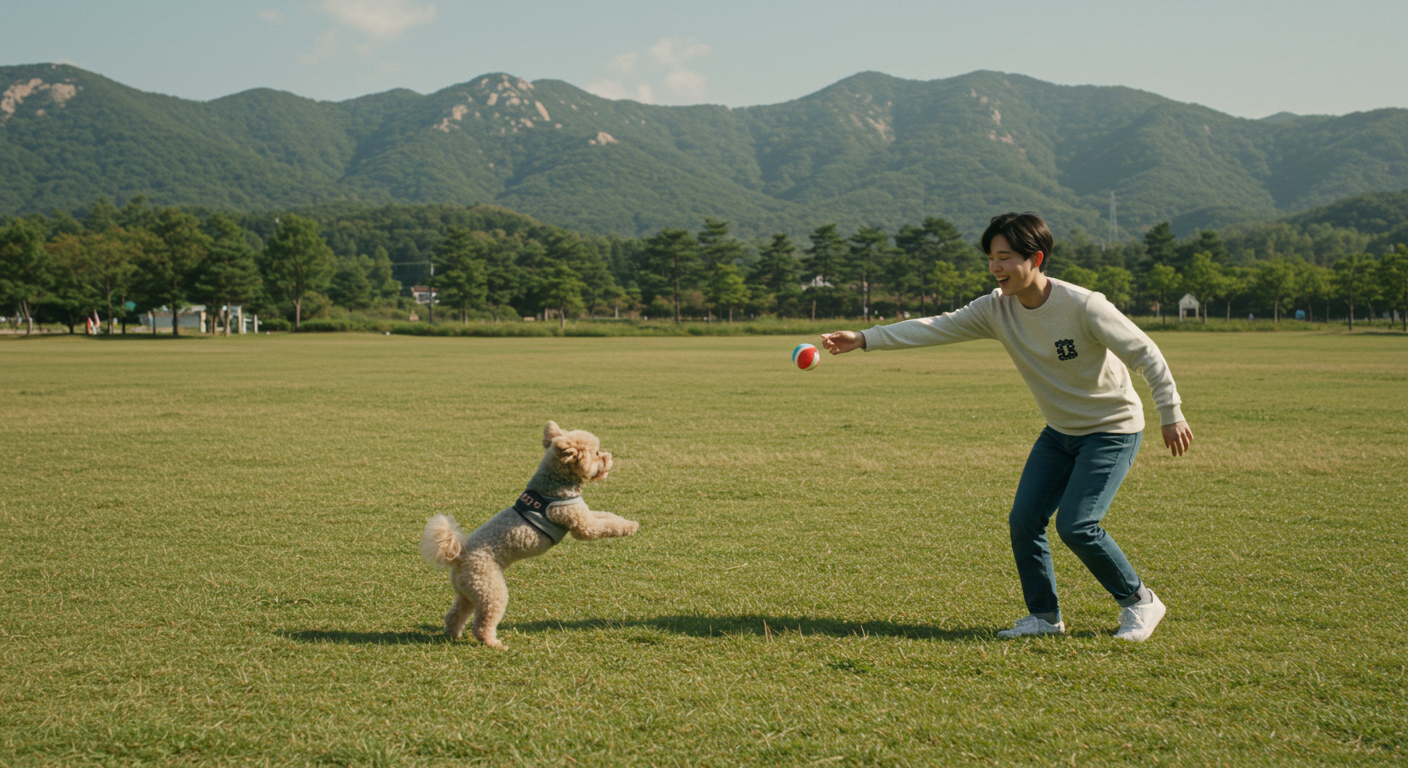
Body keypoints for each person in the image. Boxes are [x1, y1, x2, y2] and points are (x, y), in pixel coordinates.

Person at [821, 212, 1192, 642]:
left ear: (1036, 258)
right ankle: (1044, 618)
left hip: (1112, 430)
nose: (995, 267)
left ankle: (1141, 602)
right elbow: (934, 327)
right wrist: (864, 338)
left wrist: (1171, 412)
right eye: (991, 258)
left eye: (1005, 257)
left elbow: (1145, 353)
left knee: (1077, 525)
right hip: (1060, 432)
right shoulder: (995, 309)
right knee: (1025, 520)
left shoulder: (1084, 305)